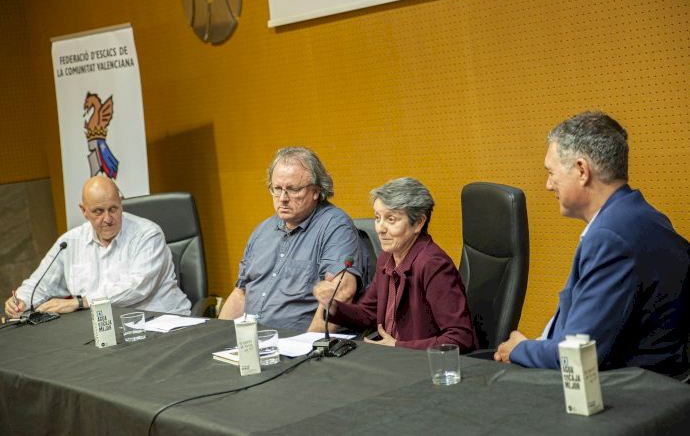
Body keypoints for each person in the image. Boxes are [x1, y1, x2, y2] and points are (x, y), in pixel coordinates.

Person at [495, 111, 689, 376]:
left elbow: (578, 355)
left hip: (626, 396)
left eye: (551, 173)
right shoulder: (643, 217)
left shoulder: (611, 238)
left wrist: (520, 349)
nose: (548, 185)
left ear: (581, 170)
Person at [314, 178, 476, 351]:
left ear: (419, 223)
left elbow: (460, 337)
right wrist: (334, 306)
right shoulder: (387, 257)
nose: (380, 228)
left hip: (424, 365)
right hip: (392, 358)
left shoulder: (433, 265)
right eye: (377, 218)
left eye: (391, 219)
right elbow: (368, 313)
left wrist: (398, 346)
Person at [218, 147, 367, 332]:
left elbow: (342, 293)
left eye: (293, 189)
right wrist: (217, 337)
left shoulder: (335, 226)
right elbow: (241, 293)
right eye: (277, 189)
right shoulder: (262, 230)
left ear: (316, 191)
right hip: (253, 342)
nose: (282, 198)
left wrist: (309, 347)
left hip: (298, 345)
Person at [4, 176, 191, 318]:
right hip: (107, 330)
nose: (108, 219)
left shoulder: (148, 235)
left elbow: (137, 288)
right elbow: (41, 284)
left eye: (113, 209)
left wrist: (81, 302)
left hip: (161, 323)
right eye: (98, 212)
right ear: (84, 211)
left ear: (121, 204)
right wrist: (20, 300)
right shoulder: (70, 242)